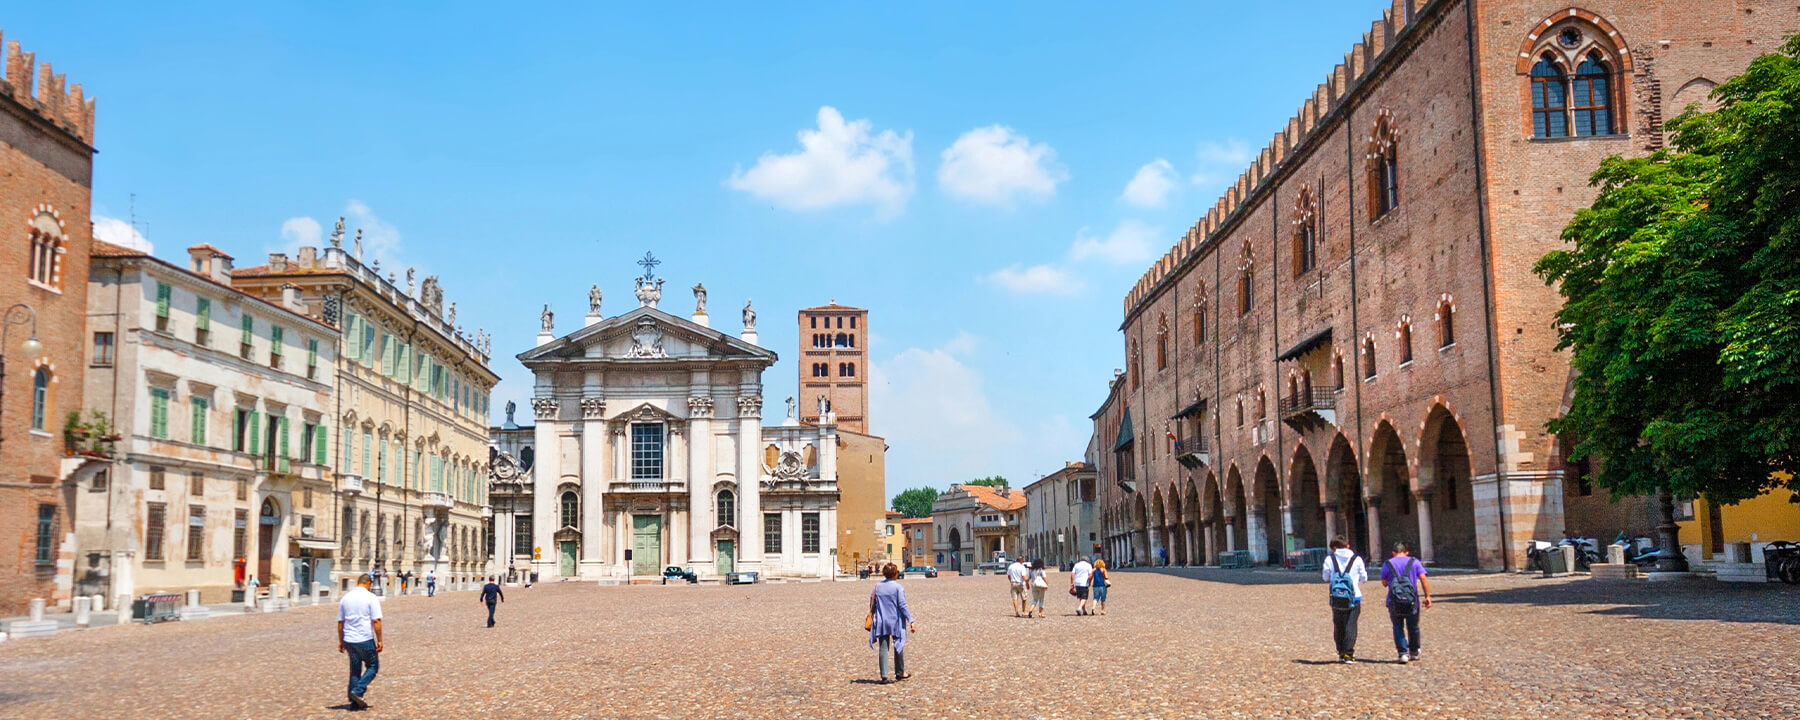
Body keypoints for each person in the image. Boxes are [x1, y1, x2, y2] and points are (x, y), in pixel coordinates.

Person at [1380, 542, 1432, 664]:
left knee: (1398, 626)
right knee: (1413, 626)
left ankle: (1402, 653)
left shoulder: (1387, 563)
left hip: (1394, 601)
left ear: (1393, 553)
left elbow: (1384, 583)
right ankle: (1414, 651)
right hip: (1412, 601)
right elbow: (1423, 578)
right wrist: (1427, 596)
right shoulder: (1414, 562)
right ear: (1406, 552)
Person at [337, 573, 384, 709]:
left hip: (349, 640)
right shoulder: (371, 597)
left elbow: (341, 622)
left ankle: (354, 703)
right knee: (373, 666)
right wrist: (380, 640)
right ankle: (357, 691)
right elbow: (376, 620)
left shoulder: (346, 598)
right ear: (368, 583)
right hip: (364, 638)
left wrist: (341, 640)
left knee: (355, 669)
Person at [1321, 536, 1368, 663]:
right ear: (1347, 545)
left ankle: (1341, 651)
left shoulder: (1329, 559)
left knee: (1339, 624)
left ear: (1334, 547)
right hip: (1354, 596)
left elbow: (1325, 577)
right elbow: (1364, 577)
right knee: (1351, 625)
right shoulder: (1357, 559)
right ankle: (1349, 653)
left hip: (1336, 598)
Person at [867, 563, 915, 683]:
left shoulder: (877, 587)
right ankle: (900, 672)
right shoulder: (898, 588)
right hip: (895, 621)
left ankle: (884, 675)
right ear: (895, 573)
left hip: (881, 620)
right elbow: (902, 605)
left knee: (883, 648)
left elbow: (872, 604)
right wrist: (911, 620)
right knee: (898, 645)